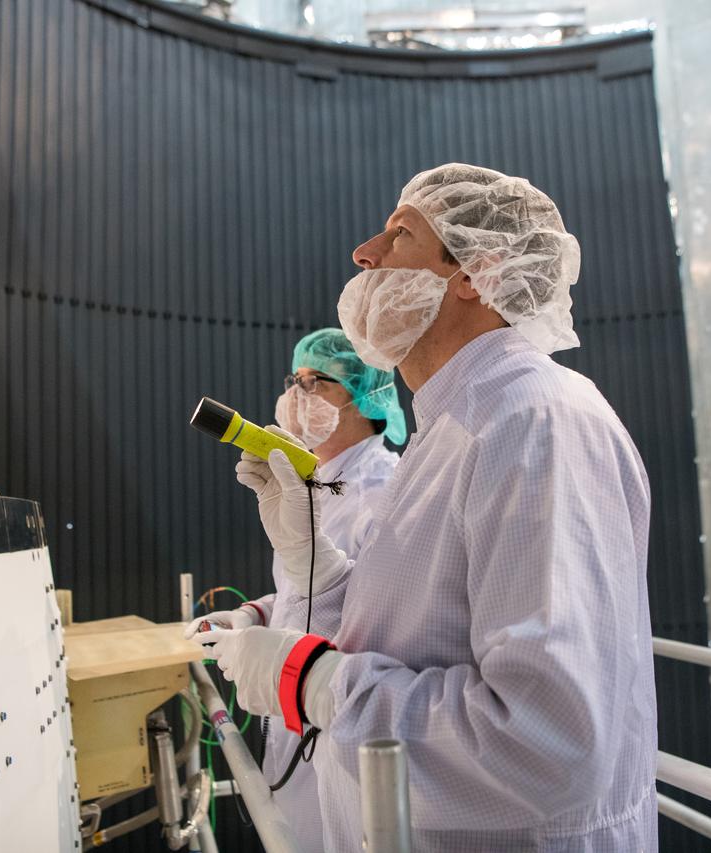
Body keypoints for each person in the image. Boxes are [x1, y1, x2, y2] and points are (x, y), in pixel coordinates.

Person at [201, 164, 657, 851]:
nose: (365, 252)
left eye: (400, 233)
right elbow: (412, 631)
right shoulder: (452, 427)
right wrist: (312, 562)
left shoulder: (535, 423)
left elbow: (544, 741)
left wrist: (317, 682)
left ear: (475, 273)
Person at [186, 328, 405, 852]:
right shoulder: (317, 480)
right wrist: (256, 614)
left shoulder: (383, 491)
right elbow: (302, 584)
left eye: (317, 381)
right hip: (293, 711)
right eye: (295, 379)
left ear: (364, 396)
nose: (296, 393)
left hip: (340, 723)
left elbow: (368, 611)